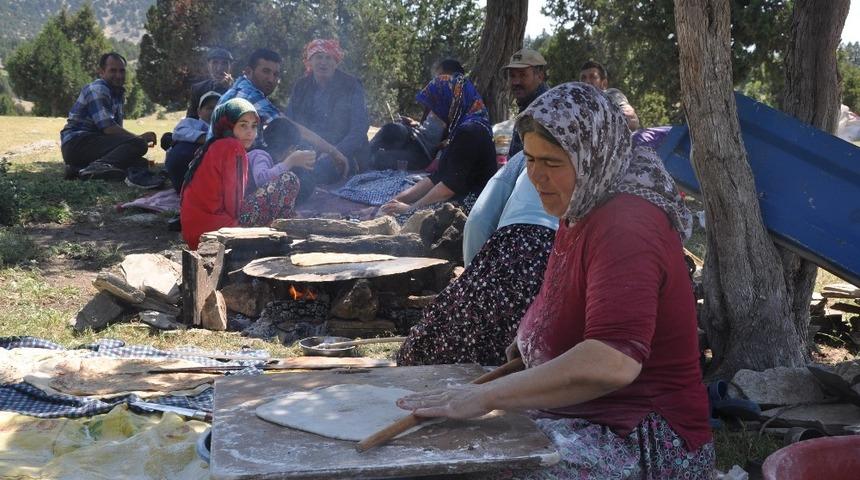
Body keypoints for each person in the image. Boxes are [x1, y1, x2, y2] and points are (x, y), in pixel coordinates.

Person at [396, 83, 713, 479]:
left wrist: (485, 396)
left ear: (592, 156)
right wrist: (529, 338)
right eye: (529, 159)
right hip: (586, 415)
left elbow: (613, 363)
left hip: (642, 437)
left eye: (553, 162)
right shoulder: (582, 202)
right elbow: (566, 294)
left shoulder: (626, 224)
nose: (537, 176)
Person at [396, 150, 558, 367]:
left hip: (515, 245)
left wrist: (475, 284)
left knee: (424, 351)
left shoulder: (525, 156)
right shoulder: (605, 157)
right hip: (563, 260)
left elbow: (479, 220)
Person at [180, 98, 302, 250]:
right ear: (228, 126)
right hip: (215, 232)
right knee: (288, 179)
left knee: (276, 199)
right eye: (243, 125)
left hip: (194, 233)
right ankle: (283, 234)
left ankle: (283, 233)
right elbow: (234, 206)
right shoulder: (233, 147)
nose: (250, 132)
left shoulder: (213, 145)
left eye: (254, 126)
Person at [218, 48, 349, 176]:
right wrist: (333, 151)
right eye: (265, 71)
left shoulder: (239, 86)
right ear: (248, 71)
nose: (271, 79)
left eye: (275, 74)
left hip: (226, 165)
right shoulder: (249, 95)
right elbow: (290, 127)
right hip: (229, 173)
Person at [379, 74, 496, 215]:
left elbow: (448, 188)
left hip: (472, 205)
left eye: (437, 104)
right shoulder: (462, 127)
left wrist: (410, 209)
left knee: (405, 218)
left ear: (451, 101)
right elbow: (438, 177)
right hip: (457, 194)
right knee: (390, 210)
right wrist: (394, 201)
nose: (434, 112)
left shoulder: (470, 131)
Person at [60, 52, 158, 186]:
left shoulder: (117, 93)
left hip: (92, 144)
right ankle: (97, 166)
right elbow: (109, 128)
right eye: (113, 70)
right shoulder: (98, 89)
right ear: (101, 72)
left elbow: (116, 136)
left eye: (122, 71)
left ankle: (77, 170)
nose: (119, 75)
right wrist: (139, 138)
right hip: (77, 143)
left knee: (140, 162)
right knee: (138, 144)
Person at [286, 39, 370, 184]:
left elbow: (359, 129)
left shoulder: (351, 85)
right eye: (318, 57)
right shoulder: (301, 86)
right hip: (311, 149)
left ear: (336, 62)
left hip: (345, 151)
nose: (323, 62)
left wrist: (335, 152)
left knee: (315, 173)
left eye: (328, 57)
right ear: (309, 61)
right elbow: (289, 122)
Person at [368, 58, 466, 172]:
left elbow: (456, 139)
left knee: (380, 159)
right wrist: (414, 123)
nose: (436, 79)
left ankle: (369, 159)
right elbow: (429, 127)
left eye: (440, 75)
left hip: (424, 153)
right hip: (414, 137)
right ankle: (362, 154)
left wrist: (439, 156)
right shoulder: (436, 96)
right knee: (390, 129)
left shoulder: (461, 105)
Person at [247, 118, 317, 206]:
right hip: (245, 208)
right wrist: (290, 161)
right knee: (290, 178)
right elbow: (261, 181)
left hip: (252, 206)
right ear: (291, 148)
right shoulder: (259, 155)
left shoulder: (273, 159)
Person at [165, 91, 220, 193]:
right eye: (209, 108)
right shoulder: (191, 123)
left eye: (218, 108)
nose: (214, 111)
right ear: (199, 111)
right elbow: (178, 132)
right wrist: (206, 138)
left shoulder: (227, 128)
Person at [502, 48, 549, 158]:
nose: (515, 82)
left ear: (540, 76)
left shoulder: (544, 110)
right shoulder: (528, 104)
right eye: (512, 76)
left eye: (523, 75)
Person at [580, 59, 641, 130]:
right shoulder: (576, 104)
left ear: (604, 84)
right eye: (583, 78)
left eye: (593, 77)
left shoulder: (611, 95)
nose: (587, 81)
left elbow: (631, 120)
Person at [187, 48, 234, 120]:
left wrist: (231, 89)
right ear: (208, 65)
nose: (219, 68)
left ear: (231, 66)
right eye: (215, 63)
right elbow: (191, 119)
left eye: (224, 63)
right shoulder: (198, 88)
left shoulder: (239, 88)